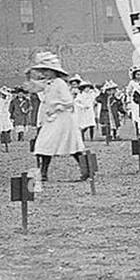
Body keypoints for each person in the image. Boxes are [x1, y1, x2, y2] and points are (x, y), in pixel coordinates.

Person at [27, 52, 88, 182]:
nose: (45, 73)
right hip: (53, 119)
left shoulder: (59, 83)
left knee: (71, 145)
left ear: (54, 71)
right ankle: (43, 173)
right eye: (43, 70)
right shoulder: (50, 83)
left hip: (63, 118)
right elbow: (34, 88)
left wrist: (56, 107)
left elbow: (68, 102)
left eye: (47, 70)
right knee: (44, 143)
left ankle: (86, 170)